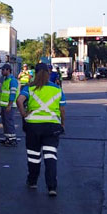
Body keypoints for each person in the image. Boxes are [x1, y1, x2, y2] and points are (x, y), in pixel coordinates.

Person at [17, 63, 66, 197]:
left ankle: (32, 181)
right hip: (52, 127)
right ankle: (51, 187)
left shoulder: (29, 88)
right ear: (49, 73)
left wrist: (24, 114)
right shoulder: (57, 89)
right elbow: (62, 109)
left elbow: (19, 101)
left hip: (33, 127)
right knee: (50, 157)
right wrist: (62, 124)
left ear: (35, 73)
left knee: (33, 156)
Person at [0, 63, 19, 146]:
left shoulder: (12, 80)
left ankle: (12, 139)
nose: (2, 71)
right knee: (5, 122)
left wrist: (9, 105)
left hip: (9, 106)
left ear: (8, 70)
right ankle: (7, 137)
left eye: (3, 70)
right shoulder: (5, 80)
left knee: (9, 122)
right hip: (5, 106)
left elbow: (12, 94)